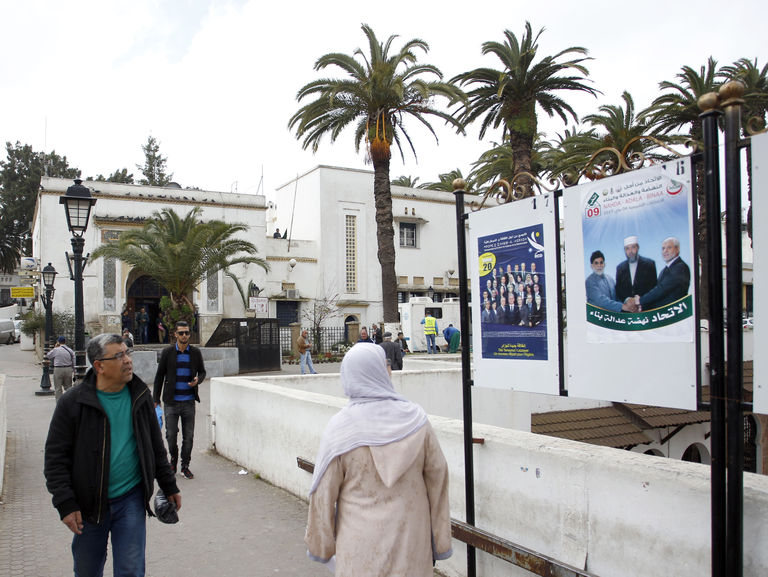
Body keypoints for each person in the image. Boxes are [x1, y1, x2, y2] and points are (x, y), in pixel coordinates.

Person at [305, 343, 452, 576]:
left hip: (360, 553)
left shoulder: (340, 429)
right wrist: (439, 540)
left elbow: (322, 493)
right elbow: (438, 477)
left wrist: (322, 547)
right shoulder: (416, 420)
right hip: (412, 546)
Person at [44, 333, 181, 577]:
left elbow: (155, 446)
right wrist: (65, 503)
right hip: (87, 505)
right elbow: (55, 459)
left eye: (128, 352)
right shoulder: (72, 403)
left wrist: (169, 485)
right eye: (119, 356)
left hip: (130, 499)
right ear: (99, 366)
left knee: (130, 570)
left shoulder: (140, 397)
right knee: (87, 570)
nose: (128, 360)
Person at [153, 321, 207, 480]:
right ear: (175, 334)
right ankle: (173, 460)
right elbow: (159, 377)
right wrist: (155, 399)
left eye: (187, 333)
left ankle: (185, 466)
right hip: (171, 402)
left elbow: (202, 372)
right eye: (181, 333)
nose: (184, 336)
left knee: (188, 436)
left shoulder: (195, 353)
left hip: (189, 401)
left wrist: (198, 379)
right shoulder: (168, 352)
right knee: (170, 436)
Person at [638, 237, 691, 310]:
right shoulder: (664, 270)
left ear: (677, 249)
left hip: (675, 314)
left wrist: (640, 301)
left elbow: (661, 290)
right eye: (663, 248)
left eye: (669, 248)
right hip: (661, 315)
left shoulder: (680, 267)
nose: (665, 251)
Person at [615, 235, 658, 303]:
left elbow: (654, 288)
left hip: (646, 307)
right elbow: (618, 290)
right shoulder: (620, 268)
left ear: (637, 248)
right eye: (627, 248)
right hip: (628, 310)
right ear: (625, 250)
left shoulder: (649, 264)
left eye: (633, 247)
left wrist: (641, 300)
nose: (630, 251)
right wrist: (627, 300)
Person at [47, 335, 75, 401]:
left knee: (58, 388)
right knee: (68, 387)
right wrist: (74, 370)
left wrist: (55, 347)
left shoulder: (56, 350)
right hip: (68, 369)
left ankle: (59, 404)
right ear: (65, 342)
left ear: (58, 342)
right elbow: (74, 361)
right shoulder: (70, 350)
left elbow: (48, 355)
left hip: (58, 369)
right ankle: (69, 402)